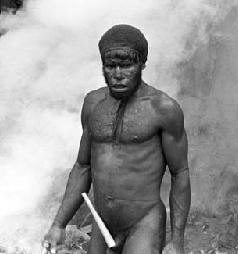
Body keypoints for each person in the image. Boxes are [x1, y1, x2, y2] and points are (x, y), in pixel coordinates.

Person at [44, 25, 191, 254]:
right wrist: (58, 224)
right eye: (111, 66)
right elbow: (83, 167)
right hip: (102, 222)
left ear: (142, 64)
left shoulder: (163, 109)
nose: (118, 74)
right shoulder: (93, 104)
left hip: (144, 222)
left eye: (127, 66)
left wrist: (177, 240)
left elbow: (180, 173)